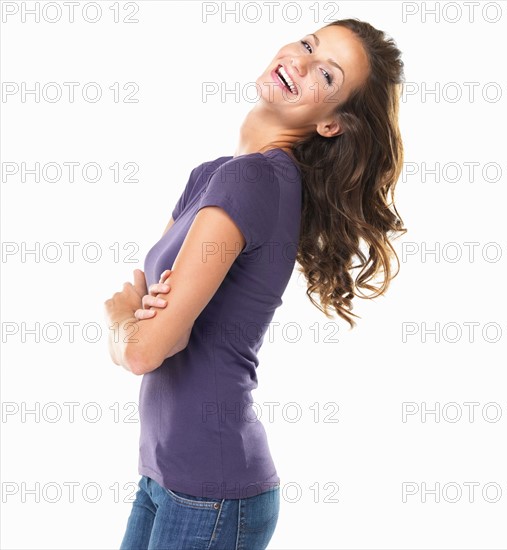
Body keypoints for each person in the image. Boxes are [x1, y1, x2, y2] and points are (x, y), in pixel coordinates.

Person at [103, 17, 406, 550]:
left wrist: (118, 317)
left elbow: (146, 348)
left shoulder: (255, 180)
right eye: (309, 44)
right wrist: (143, 322)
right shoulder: (215, 174)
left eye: (328, 76)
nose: (302, 61)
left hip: (211, 493)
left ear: (332, 123)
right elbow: (161, 320)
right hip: (165, 474)